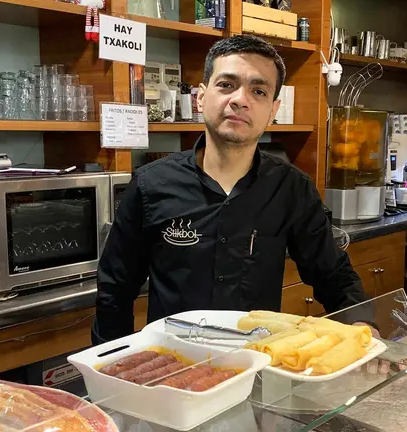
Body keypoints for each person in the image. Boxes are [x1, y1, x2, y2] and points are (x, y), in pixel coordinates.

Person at [93, 35, 369, 344]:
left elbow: (332, 275)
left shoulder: (292, 188)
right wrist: (109, 365)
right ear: (201, 97)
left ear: (273, 110)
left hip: (257, 366)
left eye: (258, 91)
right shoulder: (149, 185)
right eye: (226, 85)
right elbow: (115, 289)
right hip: (173, 368)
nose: (240, 99)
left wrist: (361, 326)